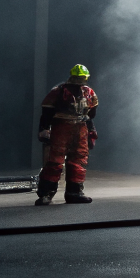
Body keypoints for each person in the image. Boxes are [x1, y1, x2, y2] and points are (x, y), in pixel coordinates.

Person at [35, 64, 98, 205]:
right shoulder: (58, 91)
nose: (80, 81)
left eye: (82, 78)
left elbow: (90, 114)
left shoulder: (89, 93)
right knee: (55, 161)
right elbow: (46, 113)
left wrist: (91, 131)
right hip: (61, 127)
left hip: (80, 128)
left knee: (79, 161)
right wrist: (44, 128)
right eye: (78, 78)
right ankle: (46, 194)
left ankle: (74, 192)